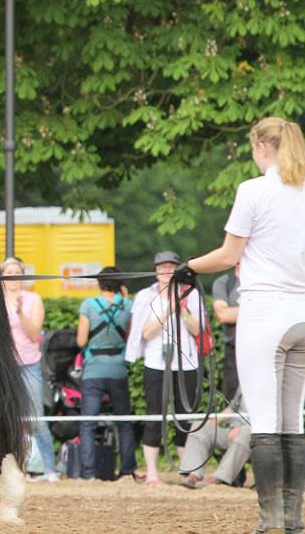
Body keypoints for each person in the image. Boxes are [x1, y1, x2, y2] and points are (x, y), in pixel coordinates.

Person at [173, 117, 305, 533]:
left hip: (265, 313)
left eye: (253, 150)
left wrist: (187, 267)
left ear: (262, 147)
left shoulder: (253, 190)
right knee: (292, 422)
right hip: (303, 314)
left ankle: (270, 523)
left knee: (263, 421)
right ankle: (292, 520)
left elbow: (230, 255)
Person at [0, 257, 58, 482]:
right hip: (2, 368)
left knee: (36, 419)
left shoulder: (33, 299)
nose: (13, 277)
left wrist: (20, 313)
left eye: (17, 272)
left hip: (29, 365)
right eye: (8, 272)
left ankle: (50, 470)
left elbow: (34, 334)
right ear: (1, 276)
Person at [124, 250, 205, 487]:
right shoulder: (144, 296)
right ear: (155, 269)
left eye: (171, 266)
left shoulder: (191, 293)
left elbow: (198, 330)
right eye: (162, 267)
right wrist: (167, 310)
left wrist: (182, 309)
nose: (166, 271)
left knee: (185, 416)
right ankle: (151, 473)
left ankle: (187, 470)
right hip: (156, 363)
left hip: (187, 363)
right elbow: (146, 333)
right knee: (154, 416)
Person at [75, 267, 137, 481]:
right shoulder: (128, 306)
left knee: (88, 423)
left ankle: (88, 473)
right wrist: (125, 299)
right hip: (118, 369)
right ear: (120, 284)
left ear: (99, 283)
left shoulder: (89, 305)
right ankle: (127, 471)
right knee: (124, 421)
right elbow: (128, 339)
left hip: (93, 371)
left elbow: (81, 341)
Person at [178, 388, 250, 489]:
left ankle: (219, 479)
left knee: (245, 432)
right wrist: (215, 420)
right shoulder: (245, 381)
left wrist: (244, 427)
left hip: (256, 435)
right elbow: (232, 408)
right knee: (200, 427)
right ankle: (193, 475)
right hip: (232, 432)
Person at [212, 265, 241, 402]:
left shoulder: (266, 279)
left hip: (264, 351)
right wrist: (258, 308)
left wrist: (234, 312)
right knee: (232, 406)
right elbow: (223, 315)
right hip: (233, 353)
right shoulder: (224, 281)